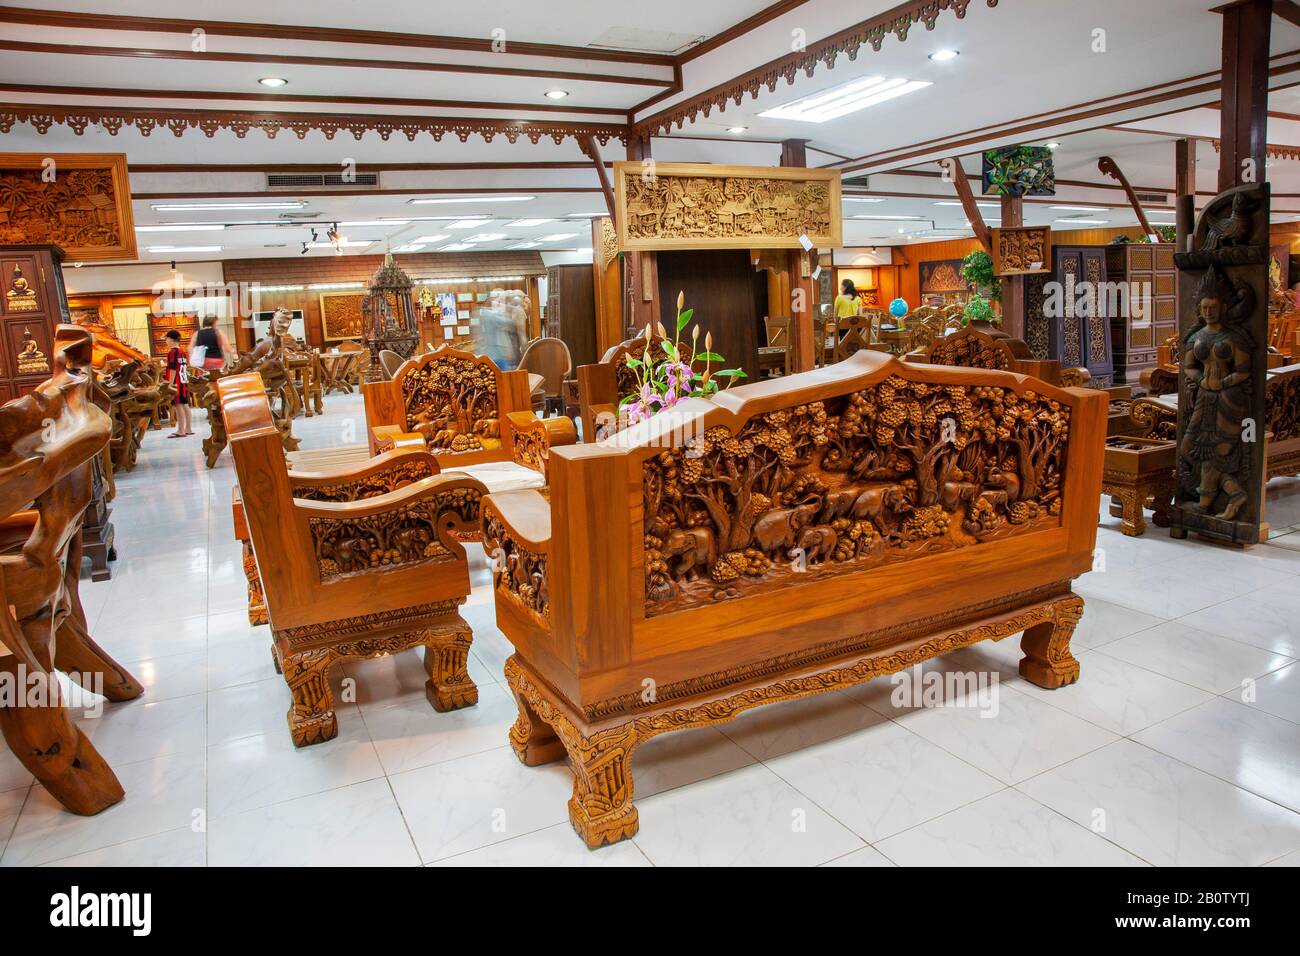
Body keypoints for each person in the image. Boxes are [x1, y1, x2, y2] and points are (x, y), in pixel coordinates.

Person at [163, 329, 193, 438]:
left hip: (176, 382)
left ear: (171, 339)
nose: (165, 341)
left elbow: (172, 369)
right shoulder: (181, 352)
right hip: (183, 381)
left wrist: (170, 384)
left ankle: (181, 430)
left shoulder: (172, 352)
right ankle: (188, 428)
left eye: (166, 338)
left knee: (178, 405)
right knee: (184, 404)